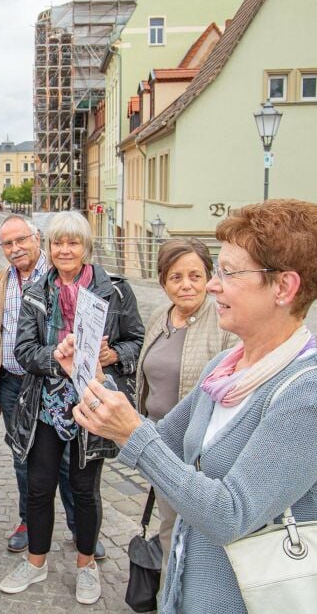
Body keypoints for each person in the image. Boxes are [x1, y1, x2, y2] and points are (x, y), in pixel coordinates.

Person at [71, 199, 317, 613]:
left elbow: (229, 515)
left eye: (229, 272)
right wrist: (93, 378)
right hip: (184, 592)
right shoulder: (228, 367)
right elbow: (159, 442)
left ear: (284, 288)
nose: (212, 285)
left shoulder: (310, 394)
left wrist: (132, 433)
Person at [0, 211, 144, 606]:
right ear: (49, 248)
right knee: (39, 486)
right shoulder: (37, 291)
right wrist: (55, 358)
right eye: (57, 243)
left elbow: (135, 340)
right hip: (47, 405)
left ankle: (85, 565)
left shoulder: (114, 290)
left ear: (86, 248)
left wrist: (112, 352)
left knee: (84, 489)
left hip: (92, 404)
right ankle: (36, 561)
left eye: (73, 243)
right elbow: (23, 350)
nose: (64, 250)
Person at [134, 238, 237, 563]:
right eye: (176, 277)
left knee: (196, 535)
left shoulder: (223, 322)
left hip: (200, 450)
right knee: (169, 526)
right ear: (163, 280)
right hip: (160, 441)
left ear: (209, 276)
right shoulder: (160, 316)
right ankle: (170, 593)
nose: (186, 285)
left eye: (195, 276)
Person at [0, 213, 76, 553]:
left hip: (53, 384)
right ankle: (28, 520)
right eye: (8, 243)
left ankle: (78, 526)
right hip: (13, 385)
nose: (15, 248)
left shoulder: (59, 276)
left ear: (37, 238)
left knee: (66, 458)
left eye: (21, 240)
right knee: (22, 456)